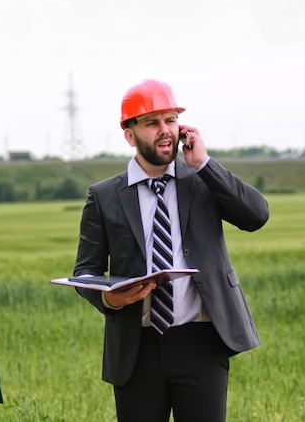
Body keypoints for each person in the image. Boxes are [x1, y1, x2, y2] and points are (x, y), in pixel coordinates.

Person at [73, 79, 269, 422]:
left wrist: (205, 164)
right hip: (137, 348)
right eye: (152, 123)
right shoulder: (104, 196)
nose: (165, 131)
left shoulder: (203, 181)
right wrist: (111, 300)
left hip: (201, 343)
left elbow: (256, 216)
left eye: (171, 120)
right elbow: (85, 272)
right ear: (130, 135)